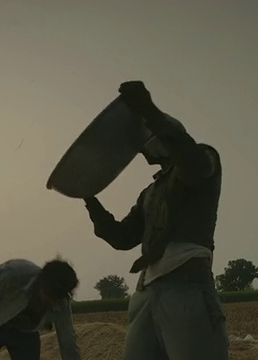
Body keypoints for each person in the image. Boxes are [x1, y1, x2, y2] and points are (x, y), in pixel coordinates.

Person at [82, 81, 229, 359]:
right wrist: (89, 198)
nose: (144, 151)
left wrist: (148, 110)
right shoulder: (150, 192)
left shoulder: (203, 159)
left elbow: (191, 163)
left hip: (186, 284)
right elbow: (123, 238)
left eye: (147, 141)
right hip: (147, 291)